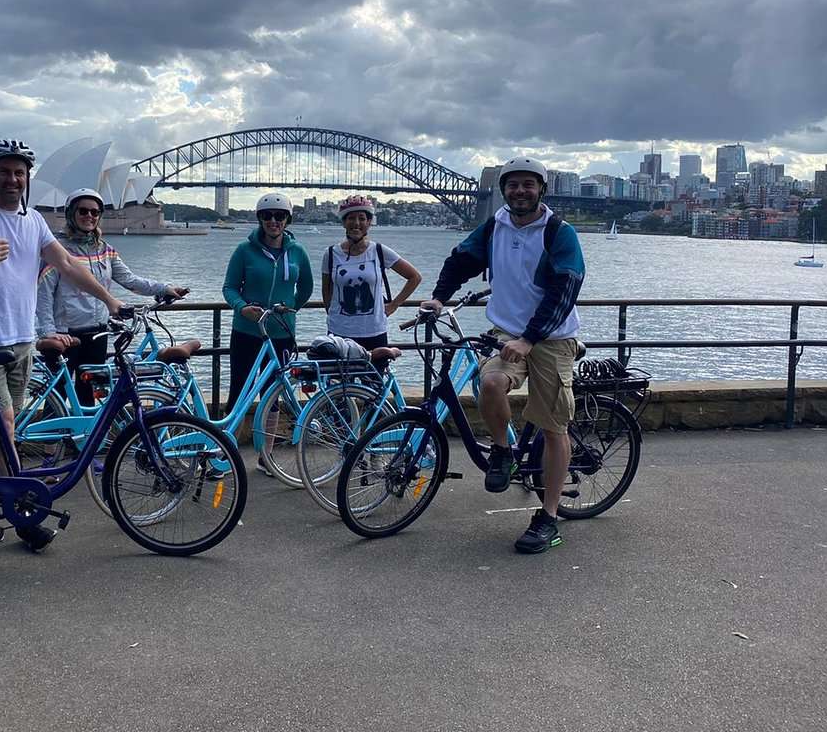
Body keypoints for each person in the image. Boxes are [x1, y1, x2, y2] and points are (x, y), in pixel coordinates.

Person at [0, 138, 124, 552]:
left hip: (20, 342)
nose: (13, 179)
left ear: (27, 178)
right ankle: (22, 514)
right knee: (7, 427)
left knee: (3, 431)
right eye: (5, 171)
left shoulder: (33, 220)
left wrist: (108, 299)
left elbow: (67, 264)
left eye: (20, 173)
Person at [422, 157, 584, 554]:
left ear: (541, 190)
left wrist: (530, 339)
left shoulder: (559, 232)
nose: (520, 192)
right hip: (508, 333)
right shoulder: (496, 225)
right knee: (489, 383)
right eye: (513, 185)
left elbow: (565, 290)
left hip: (552, 338)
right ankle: (502, 451)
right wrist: (439, 298)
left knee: (552, 428)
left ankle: (548, 519)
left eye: (529, 185)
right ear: (504, 190)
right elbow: (460, 260)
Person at [35, 188, 188, 407]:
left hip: (97, 333)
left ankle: (83, 441)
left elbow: (130, 280)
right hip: (65, 335)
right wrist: (49, 333)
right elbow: (44, 295)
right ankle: (48, 442)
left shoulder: (104, 249)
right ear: (71, 214)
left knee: (89, 396)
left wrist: (164, 288)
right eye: (83, 211)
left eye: (95, 212)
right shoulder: (57, 250)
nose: (90, 216)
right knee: (57, 399)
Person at [221, 192, 313, 468]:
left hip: (282, 334)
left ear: (287, 219)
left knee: (273, 396)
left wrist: (290, 307)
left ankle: (267, 457)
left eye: (280, 216)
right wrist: (242, 307)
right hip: (247, 332)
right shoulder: (244, 250)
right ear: (259, 219)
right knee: (239, 391)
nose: (274, 221)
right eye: (267, 216)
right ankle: (225, 455)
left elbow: (306, 286)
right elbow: (229, 287)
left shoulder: (297, 251)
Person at [320, 195, 421, 349]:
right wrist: (334, 315)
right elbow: (326, 290)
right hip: (339, 332)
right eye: (351, 218)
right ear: (344, 222)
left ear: (369, 223)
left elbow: (414, 277)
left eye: (362, 218)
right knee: (337, 373)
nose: (356, 223)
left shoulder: (379, 251)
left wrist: (394, 305)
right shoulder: (331, 254)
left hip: (374, 332)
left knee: (376, 373)